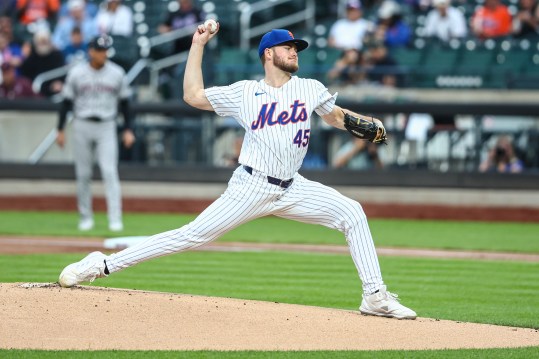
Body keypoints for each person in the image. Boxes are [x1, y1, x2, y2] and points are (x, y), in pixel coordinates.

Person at [58, 27, 417, 320]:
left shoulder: (310, 88)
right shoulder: (246, 93)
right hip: (250, 186)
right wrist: (197, 44)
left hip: (293, 187)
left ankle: (374, 297)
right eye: (287, 47)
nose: (295, 52)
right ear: (268, 54)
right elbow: (192, 96)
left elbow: (335, 116)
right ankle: (101, 264)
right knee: (190, 236)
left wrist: (363, 125)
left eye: (296, 47)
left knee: (352, 212)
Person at [55, 34, 135, 232]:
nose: (103, 54)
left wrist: (128, 129)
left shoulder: (117, 73)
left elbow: (125, 103)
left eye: (105, 50)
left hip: (107, 125)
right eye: (99, 50)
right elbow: (66, 102)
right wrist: (60, 129)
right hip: (82, 123)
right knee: (83, 174)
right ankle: (85, 217)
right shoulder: (77, 73)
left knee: (109, 172)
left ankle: (115, 219)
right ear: (91, 51)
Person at [19, 28, 64, 97]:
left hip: (55, 94)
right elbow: (27, 80)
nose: (43, 45)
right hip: (35, 96)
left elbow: (62, 74)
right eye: (41, 42)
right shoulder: (30, 61)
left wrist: (59, 83)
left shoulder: (57, 57)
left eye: (45, 42)